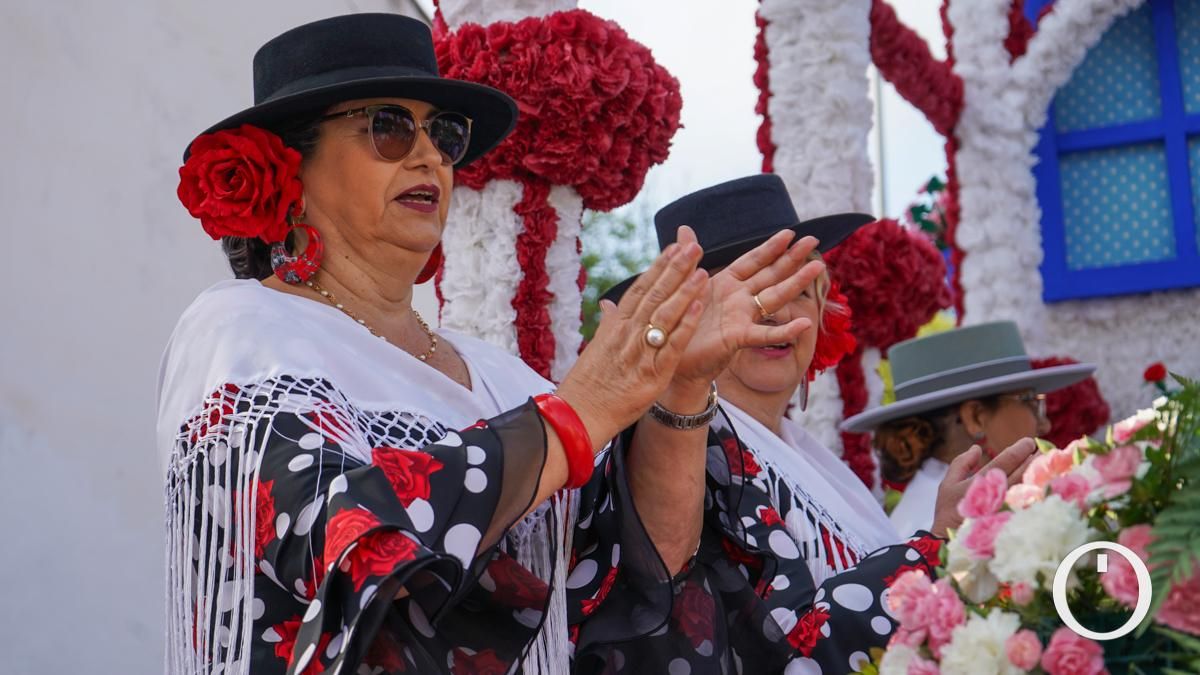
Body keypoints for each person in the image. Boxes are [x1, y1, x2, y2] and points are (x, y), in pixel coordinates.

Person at [160, 14, 824, 675]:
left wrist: (679, 391)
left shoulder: (503, 379)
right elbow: (341, 539)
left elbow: (639, 581)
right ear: (290, 165)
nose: (430, 157)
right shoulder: (244, 327)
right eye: (388, 126)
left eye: (445, 134)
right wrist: (580, 412)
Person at [602, 175, 1041, 672]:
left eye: (800, 290)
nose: (778, 313)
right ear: (687, 319)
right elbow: (774, 644)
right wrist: (938, 544)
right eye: (751, 293)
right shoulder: (677, 444)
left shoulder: (810, 457)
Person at [842, 321, 1095, 537]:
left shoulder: (931, 506)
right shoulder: (953, 522)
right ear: (976, 417)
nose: (1044, 424)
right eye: (1031, 403)